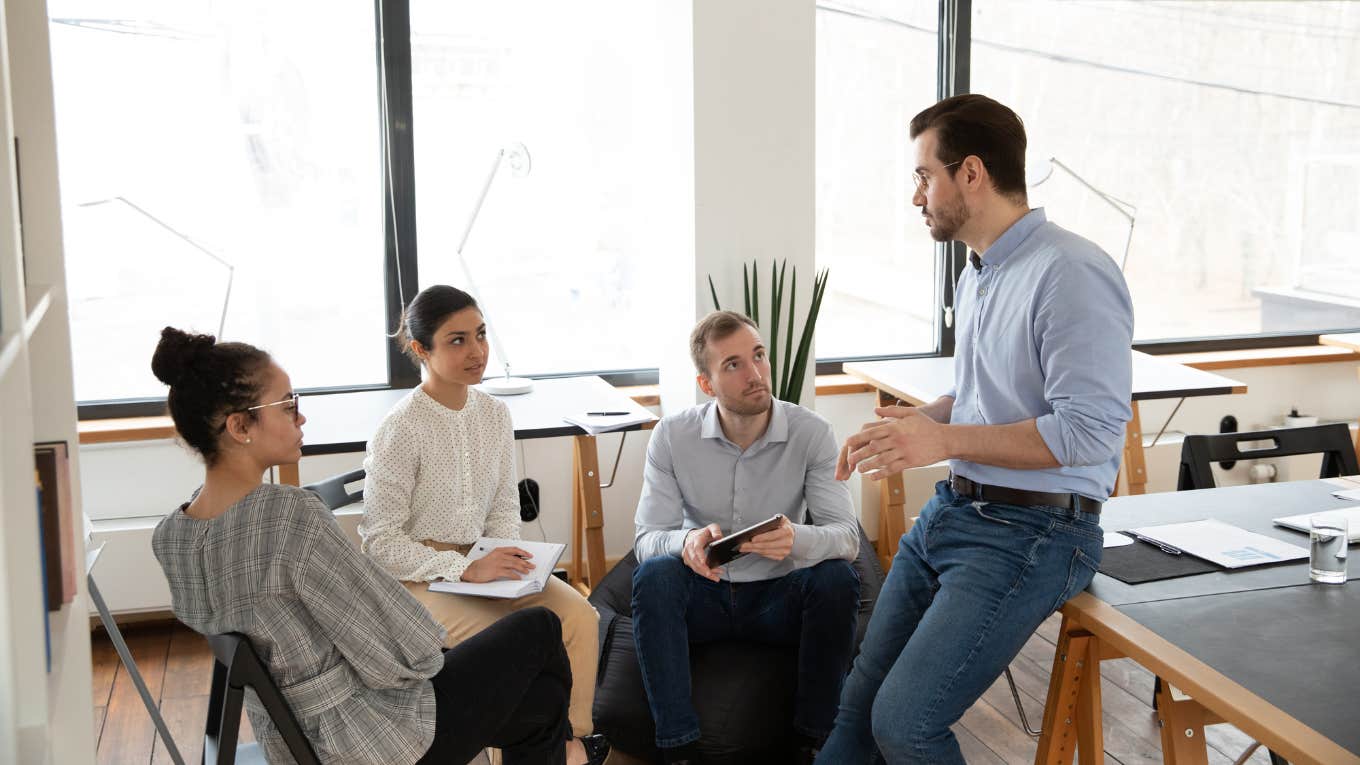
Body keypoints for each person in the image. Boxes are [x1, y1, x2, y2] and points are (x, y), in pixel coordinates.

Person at [817, 94, 1134, 764]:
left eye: (923, 176)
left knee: (904, 724)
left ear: (971, 174)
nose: (916, 197)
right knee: (857, 708)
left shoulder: (1070, 271)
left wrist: (946, 439)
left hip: (1038, 532)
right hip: (957, 513)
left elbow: (1088, 433)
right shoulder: (983, 271)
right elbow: (988, 395)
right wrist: (931, 417)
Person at [148, 326, 579, 765]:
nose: (301, 418)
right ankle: (575, 750)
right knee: (540, 626)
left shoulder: (170, 538)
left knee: (540, 703)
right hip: (370, 740)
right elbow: (403, 647)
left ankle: (568, 751)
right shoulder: (290, 516)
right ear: (241, 425)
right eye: (288, 404)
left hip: (292, 741)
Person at [360, 284, 605, 759]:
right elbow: (380, 544)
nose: (477, 351)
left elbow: (502, 506)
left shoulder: (494, 413)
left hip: (484, 566)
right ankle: (534, 745)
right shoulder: (400, 429)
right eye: (457, 340)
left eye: (481, 334)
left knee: (580, 616)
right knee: (513, 647)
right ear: (421, 350)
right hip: (418, 580)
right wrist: (461, 570)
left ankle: (570, 743)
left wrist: (508, 561)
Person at [631, 310, 862, 765]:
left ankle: (812, 744)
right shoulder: (672, 436)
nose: (755, 374)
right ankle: (677, 750)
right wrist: (687, 542)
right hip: (705, 595)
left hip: (779, 598)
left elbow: (846, 538)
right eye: (733, 364)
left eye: (758, 356)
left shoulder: (811, 433)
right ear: (707, 384)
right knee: (655, 576)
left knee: (838, 580)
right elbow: (646, 540)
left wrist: (796, 538)